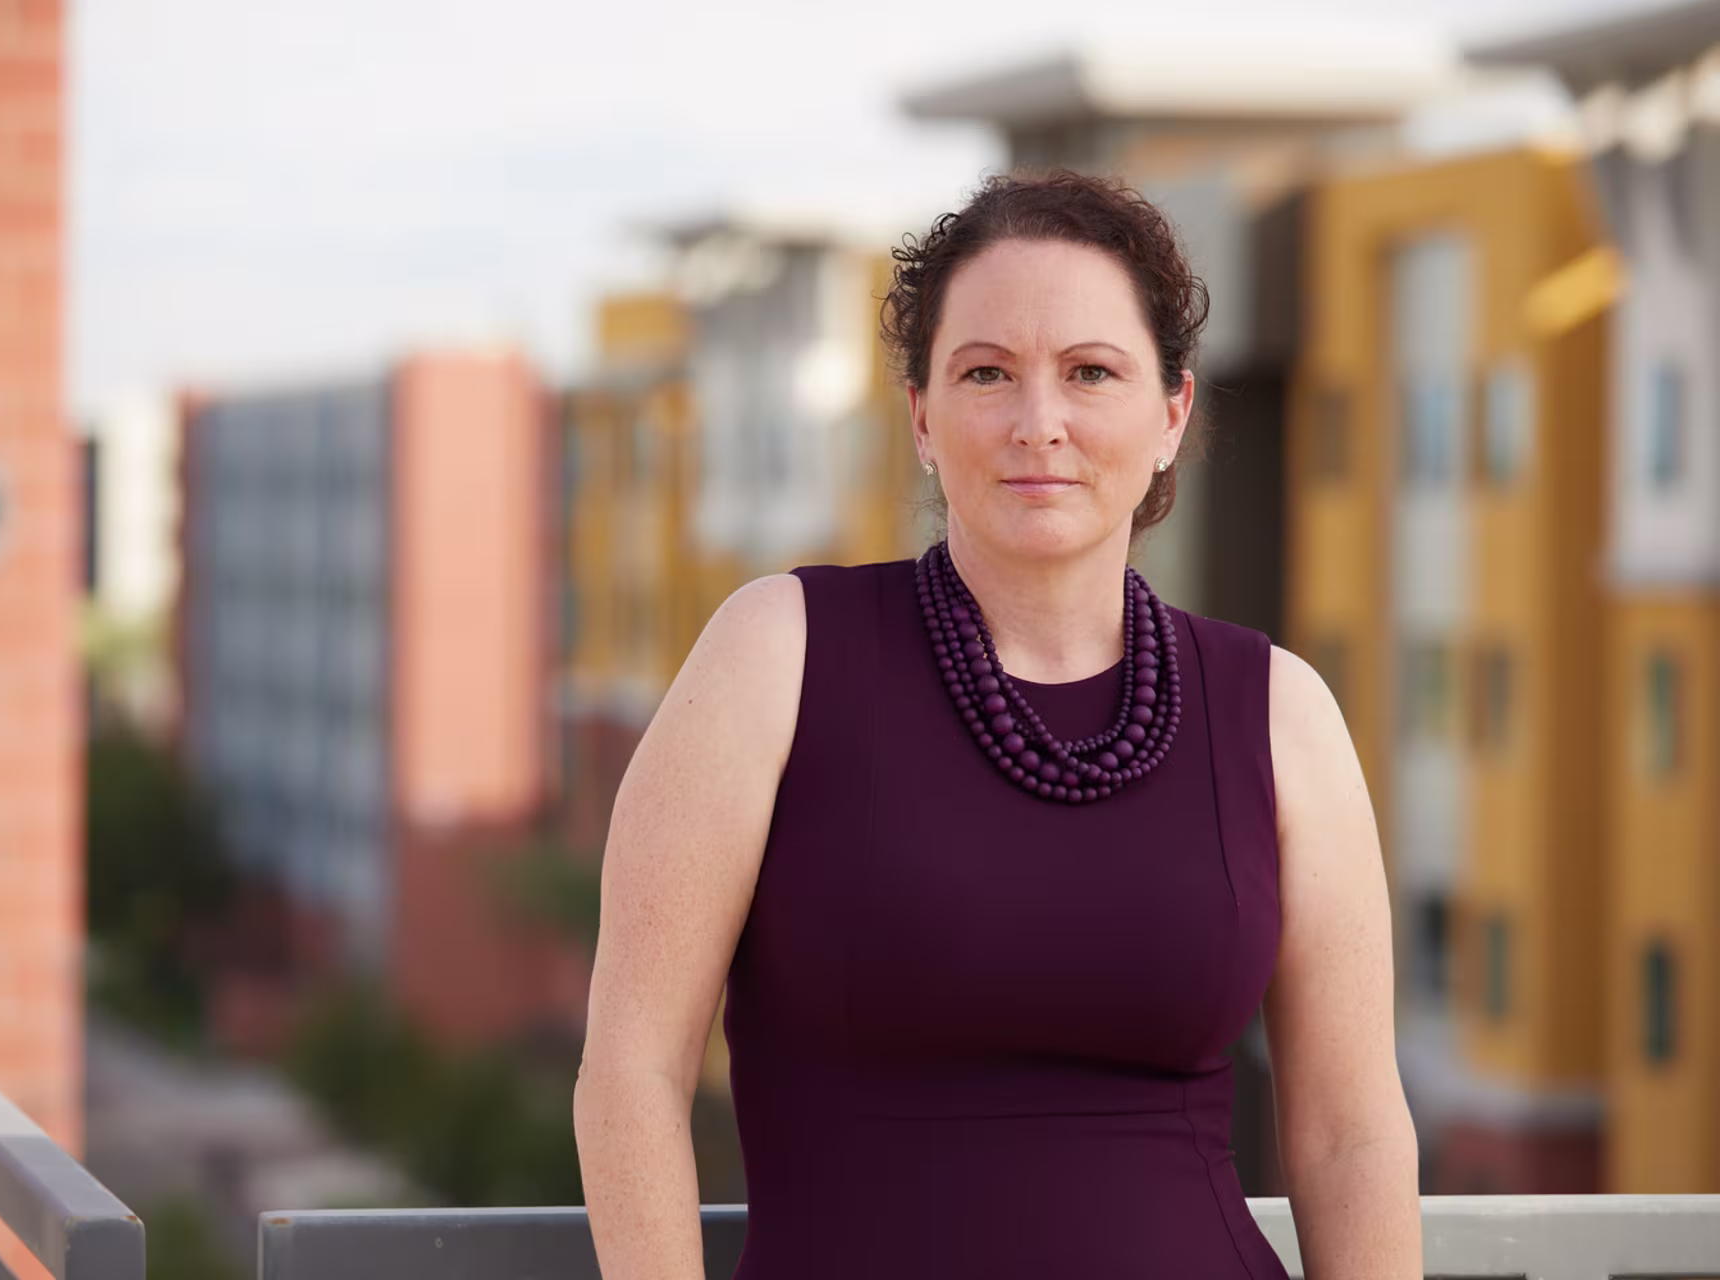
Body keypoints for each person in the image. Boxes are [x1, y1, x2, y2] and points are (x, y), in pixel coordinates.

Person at [573, 170, 1420, 1278]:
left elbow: (1350, 1134)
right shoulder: (773, 654)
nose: (1039, 422)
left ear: (1172, 415)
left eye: (1090, 372)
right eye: (986, 372)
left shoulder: (1280, 711)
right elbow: (631, 1068)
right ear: (922, 414)